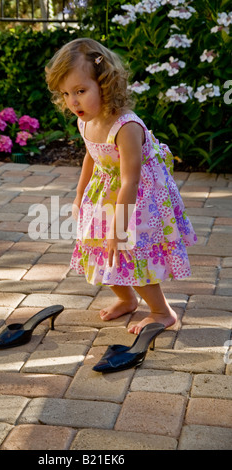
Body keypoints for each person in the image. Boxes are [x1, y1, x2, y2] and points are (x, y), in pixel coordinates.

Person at [45, 38, 197, 336]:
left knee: (129, 252)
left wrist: (119, 226)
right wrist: (78, 195)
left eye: (80, 91)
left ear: (105, 83)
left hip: (139, 199)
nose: (72, 102)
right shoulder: (86, 120)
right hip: (106, 194)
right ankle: (126, 299)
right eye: (65, 94)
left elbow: (131, 180)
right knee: (101, 249)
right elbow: (92, 154)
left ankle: (161, 311)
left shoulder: (126, 127)